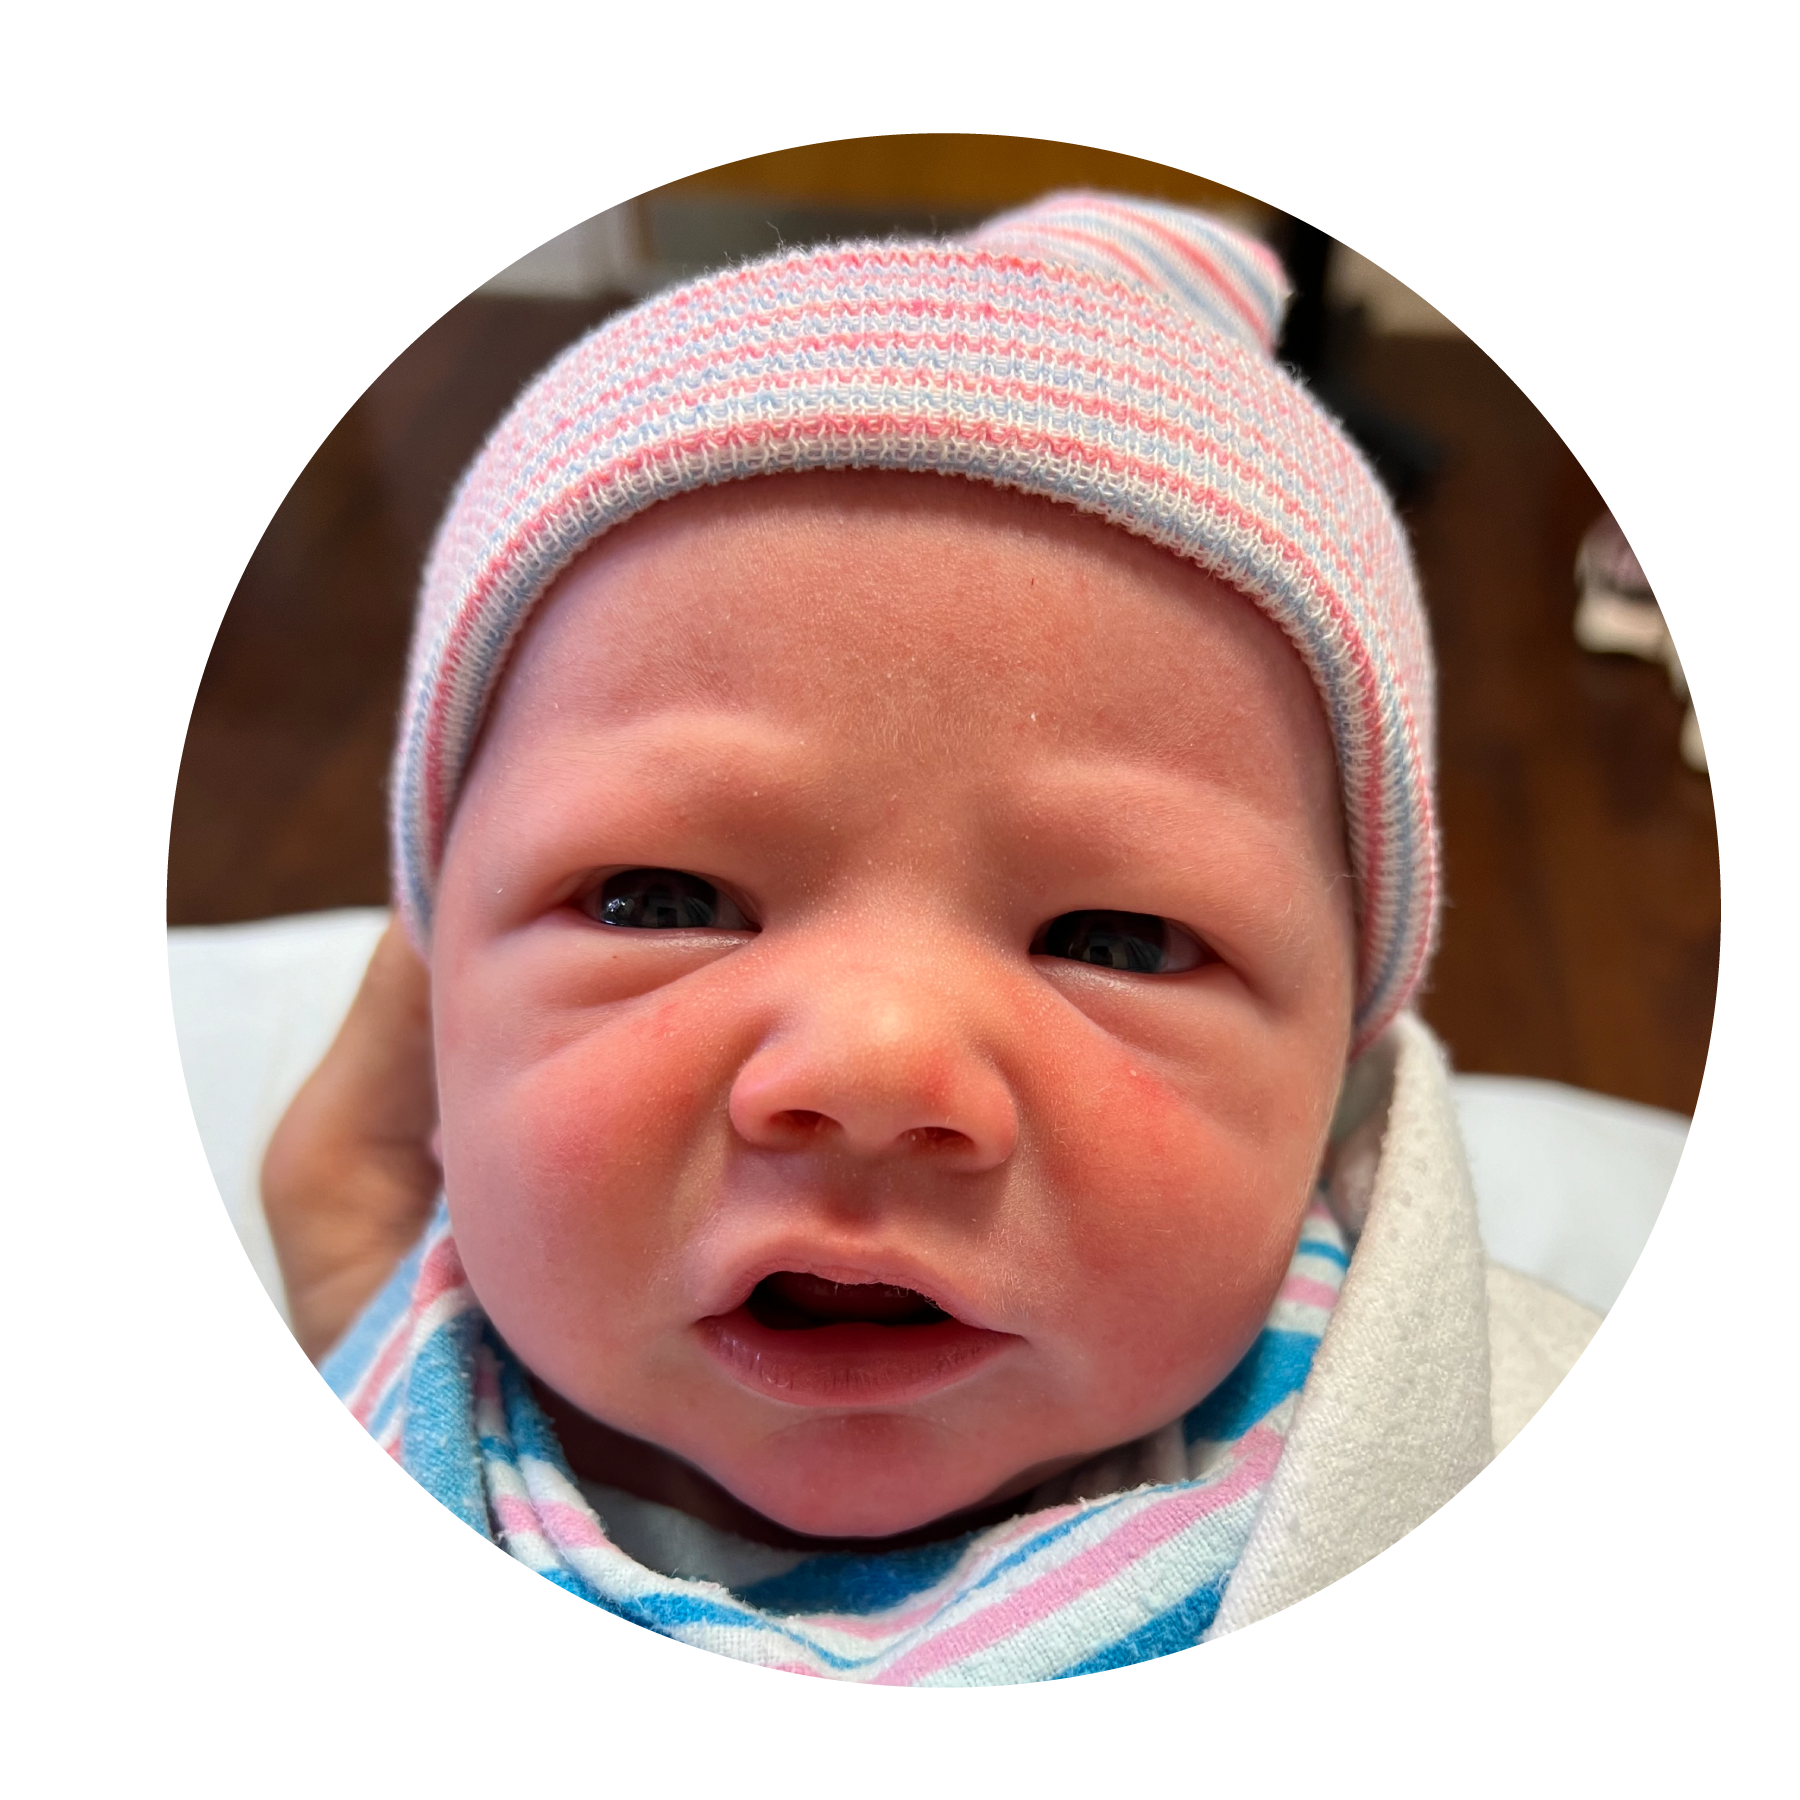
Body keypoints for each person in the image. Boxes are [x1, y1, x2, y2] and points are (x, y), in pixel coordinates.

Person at [261, 192, 1597, 1693]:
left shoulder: (1526, 1541)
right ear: (434, 992)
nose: (876, 1065)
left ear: (1337, 1074)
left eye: (1117, 937)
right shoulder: (392, 1388)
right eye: (661, 902)